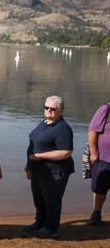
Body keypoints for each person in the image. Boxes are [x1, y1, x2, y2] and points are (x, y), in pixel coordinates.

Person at [24, 95, 74, 238]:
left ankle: (51, 228)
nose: (49, 110)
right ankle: (40, 222)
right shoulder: (44, 123)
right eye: (47, 107)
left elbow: (66, 152)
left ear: (61, 110)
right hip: (37, 170)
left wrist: (40, 156)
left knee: (51, 200)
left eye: (53, 108)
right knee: (38, 198)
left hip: (55, 171)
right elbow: (33, 144)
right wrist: (28, 166)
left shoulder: (62, 128)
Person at [87, 103, 110, 226]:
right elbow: (92, 131)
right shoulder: (106, 109)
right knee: (99, 188)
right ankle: (96, 214)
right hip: (104, 158)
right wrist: (94, 153)